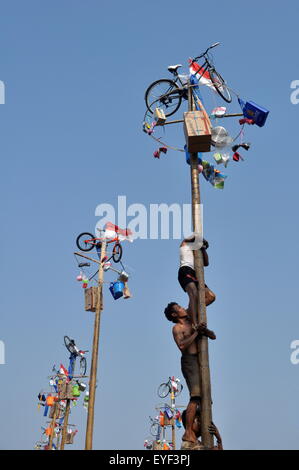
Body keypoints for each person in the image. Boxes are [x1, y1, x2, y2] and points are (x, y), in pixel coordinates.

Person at [164, 302, 216, 448]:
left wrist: (204, 331)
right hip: (189, 362)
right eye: (179, 308)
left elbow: (213, 336)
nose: (182, 308)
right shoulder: (177, 328)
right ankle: (188, 432)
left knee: (206, 399)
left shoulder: (192, 323)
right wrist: (196, 333)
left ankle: (199, 429)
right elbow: (182, 345)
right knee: (195, 396)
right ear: (174, 315)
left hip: (201, 362)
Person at [178, 234, 216, 328]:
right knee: (194, 294)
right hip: (185, 270)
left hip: (195, 274)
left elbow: (206, 263)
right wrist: (202, 239)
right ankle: (194, 324)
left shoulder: (197, 252)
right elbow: (193, 236)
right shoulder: (185, 244)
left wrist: (203, 248)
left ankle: (189, 312)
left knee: (211, 296)